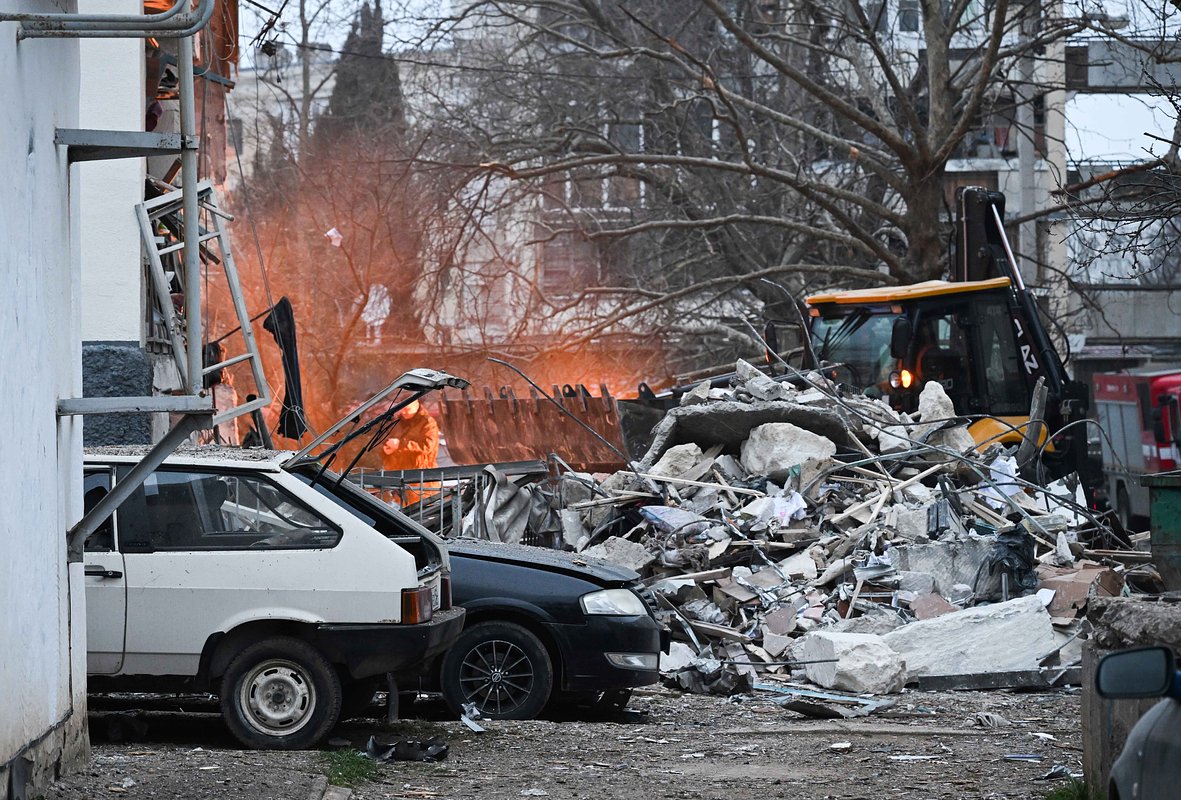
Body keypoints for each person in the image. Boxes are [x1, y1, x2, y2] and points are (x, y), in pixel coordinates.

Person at [380, 399, 440, 505]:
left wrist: (400, 445)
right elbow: (389, 440)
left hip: (421, 479)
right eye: (402, 409)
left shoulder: (428, 423)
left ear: (416, 406)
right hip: (400, 478)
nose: (404, 412)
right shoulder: (398, 423)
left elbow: (428, 446)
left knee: (424, 513)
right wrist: (387, 450)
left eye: (407, 409)